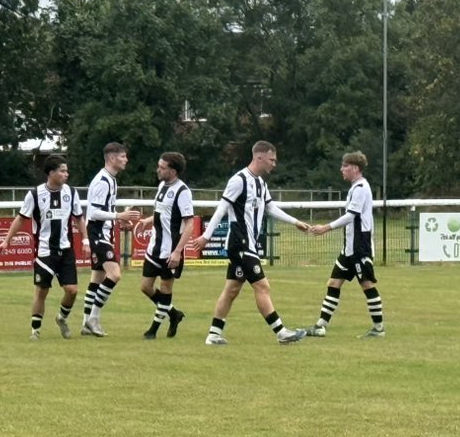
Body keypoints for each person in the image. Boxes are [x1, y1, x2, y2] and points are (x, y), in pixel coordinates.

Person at [189, 141, 309, 345]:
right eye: (272, 160)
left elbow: (271, 208)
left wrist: (295, 222)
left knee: (232, 289)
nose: (274, 164)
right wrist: (206, 236)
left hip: (249, 243)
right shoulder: (239, 180)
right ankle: (281, 332)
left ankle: (213, 334)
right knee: (262, 286)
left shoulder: (261, 183)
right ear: (259, 157)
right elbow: (222, 208)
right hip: (239, 242)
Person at [0, 155, 91, 341]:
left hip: (65, 250)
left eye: (66, 170)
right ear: (51, 173)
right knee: (42, 291)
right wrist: (7, 240)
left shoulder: (71, 193)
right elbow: (20, 218)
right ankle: (36, 330)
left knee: (72, 290)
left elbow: (79, 217)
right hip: (44, 251)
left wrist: (85, 240)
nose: (67, 174)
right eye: (62, 171)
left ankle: (61, 318)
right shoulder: (35, 194)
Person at [305, 151, 385, 338]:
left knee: (367, 284)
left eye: (345, 166)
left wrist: (326, 227)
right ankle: (320, 325)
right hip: (349, 248)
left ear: (355, 168)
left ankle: (379, 328)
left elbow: (351, 216)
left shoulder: (360, 189)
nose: (342, 169)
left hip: (359, 248)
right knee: (333, 282)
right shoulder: (356, 187)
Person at [81, 142, 141, 337]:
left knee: (97, 278)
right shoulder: (102, 181)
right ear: (112, 158)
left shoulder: (111, 180)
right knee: (114, 274)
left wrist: (120, 220)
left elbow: (104, 211)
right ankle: (93, 318)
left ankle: (85, 323)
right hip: (97, 231)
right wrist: (118, 216)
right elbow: (94, 212)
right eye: (123, 156)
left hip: (104, 231)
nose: (126, 160)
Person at [137, 152, 194, 340]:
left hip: (170, 250)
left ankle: (153, 330)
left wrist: (178, 251)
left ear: (173, 171)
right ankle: (173, 314)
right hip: (154, 247)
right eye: (158, 165)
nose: (158, 170)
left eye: (162, 167)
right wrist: (147, 220)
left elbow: (189, 224)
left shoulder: (182, 191)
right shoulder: (162, 186)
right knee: (145, 287)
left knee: (166, 287)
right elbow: (162, 214)